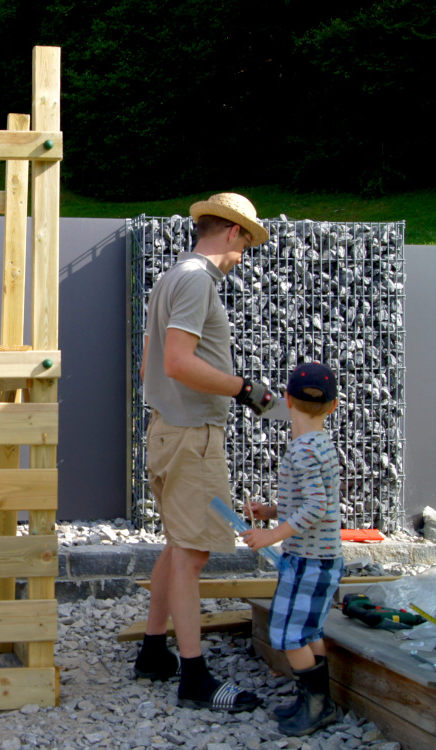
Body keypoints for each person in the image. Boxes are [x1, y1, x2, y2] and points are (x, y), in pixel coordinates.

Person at [135, 192, 273, 713]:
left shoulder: (174, 275)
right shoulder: (197, 279)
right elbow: (174, 361)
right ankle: (195, 679)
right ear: (234, 232)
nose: (243, 256)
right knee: (192, 556)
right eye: (247, 243)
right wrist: (243, 388)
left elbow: (151, 362)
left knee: (178, 543)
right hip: (193, 436)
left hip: (169, 429)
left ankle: (153, 652)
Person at [240, 362, 344, 737]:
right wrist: (271, 512)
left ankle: (317, 705)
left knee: (288, 633)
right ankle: (316, 702)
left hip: (308, 561)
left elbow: (316, 508)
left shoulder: (302, 451)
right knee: (311, 629)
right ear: (332, 407)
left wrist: (272, 535)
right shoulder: (322, 446)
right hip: (323, 558)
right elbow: (315, 500)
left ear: (286, 399)